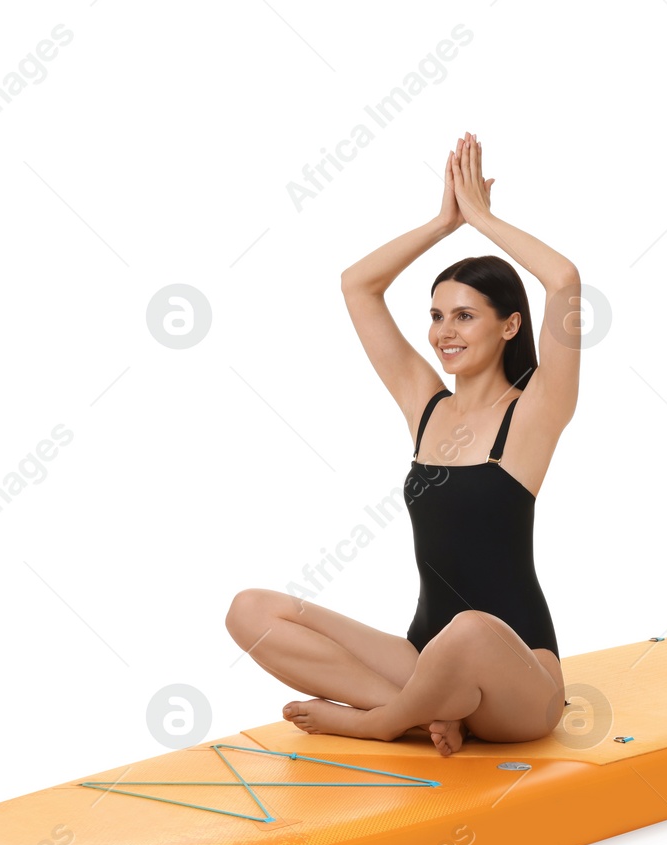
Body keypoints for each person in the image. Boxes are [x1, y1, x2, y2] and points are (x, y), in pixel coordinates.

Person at [225, 131, 581, 756]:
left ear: (510, 325)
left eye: (464, 316)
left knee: (470, 629)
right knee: (251, 611)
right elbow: (357, 285)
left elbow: (563, 280)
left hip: (519, 679)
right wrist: (443, 223)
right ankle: (421, 715)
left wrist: (483, 220)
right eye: (437, 315)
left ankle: (378, 721)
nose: (444, 332)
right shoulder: (426, 404)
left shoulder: (535, 411)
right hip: (422, 655)